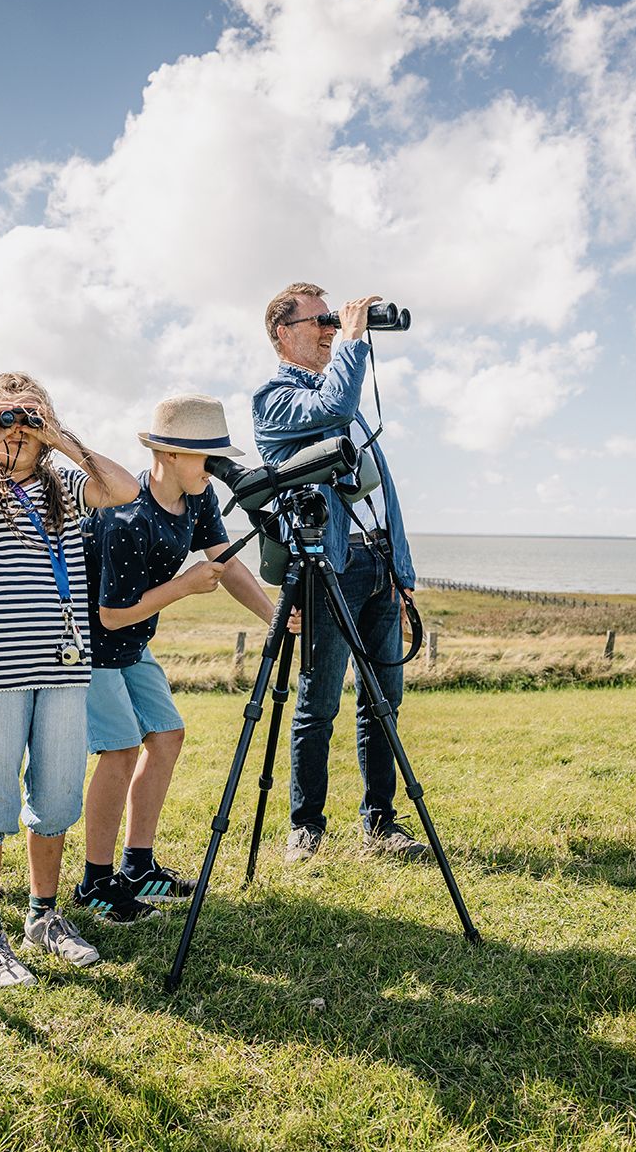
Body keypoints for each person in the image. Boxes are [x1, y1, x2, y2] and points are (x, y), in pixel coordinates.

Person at [0, 372, 141, 987]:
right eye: (8, 418)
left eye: (29, 419)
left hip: (61, 671)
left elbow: (125, 488)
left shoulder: (68, 488)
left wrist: (60, 436)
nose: (17, 431)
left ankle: (44, 917)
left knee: (55, 799)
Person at [71, 394, 281, 922]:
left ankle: (138, 866)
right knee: (119, 751)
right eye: (205, 457)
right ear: (167, 454)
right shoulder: (123, 515)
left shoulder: (199, 497)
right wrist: (184, 587)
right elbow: (111, 615)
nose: (215, 467)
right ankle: (96, 883)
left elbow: (226, 564)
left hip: (133, 645)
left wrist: (274, 616)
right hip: (94, 647)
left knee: (166, 735)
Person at [251, 283, 428, 864]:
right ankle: (307, 825)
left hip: (374, 560)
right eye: (318, 321)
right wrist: (354, 338)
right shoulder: (273, 398)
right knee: (318, 700)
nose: (330, 329)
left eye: (334, 321)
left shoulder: (341, 391)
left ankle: (380, 822)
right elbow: (332, 409)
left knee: (384, 698)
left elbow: (385, 498)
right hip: (330, 568)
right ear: (283, 333)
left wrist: (401, 574)